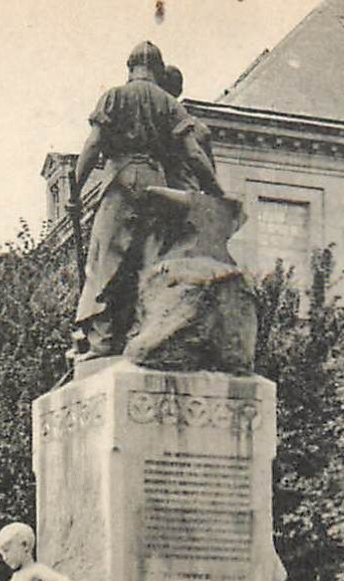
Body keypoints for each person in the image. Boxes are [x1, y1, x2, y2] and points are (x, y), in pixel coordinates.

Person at [72, 40, 225, 358]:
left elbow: (93, 145)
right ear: (157, 70)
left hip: (121, 181)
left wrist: (75, 190)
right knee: (148, 263)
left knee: (106, 261)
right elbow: (194, 153)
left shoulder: (115, 95)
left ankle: (101, 342)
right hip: (157, 187)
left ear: (129, 68)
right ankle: (139, 334)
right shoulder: (169, 103)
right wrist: (216, 191)